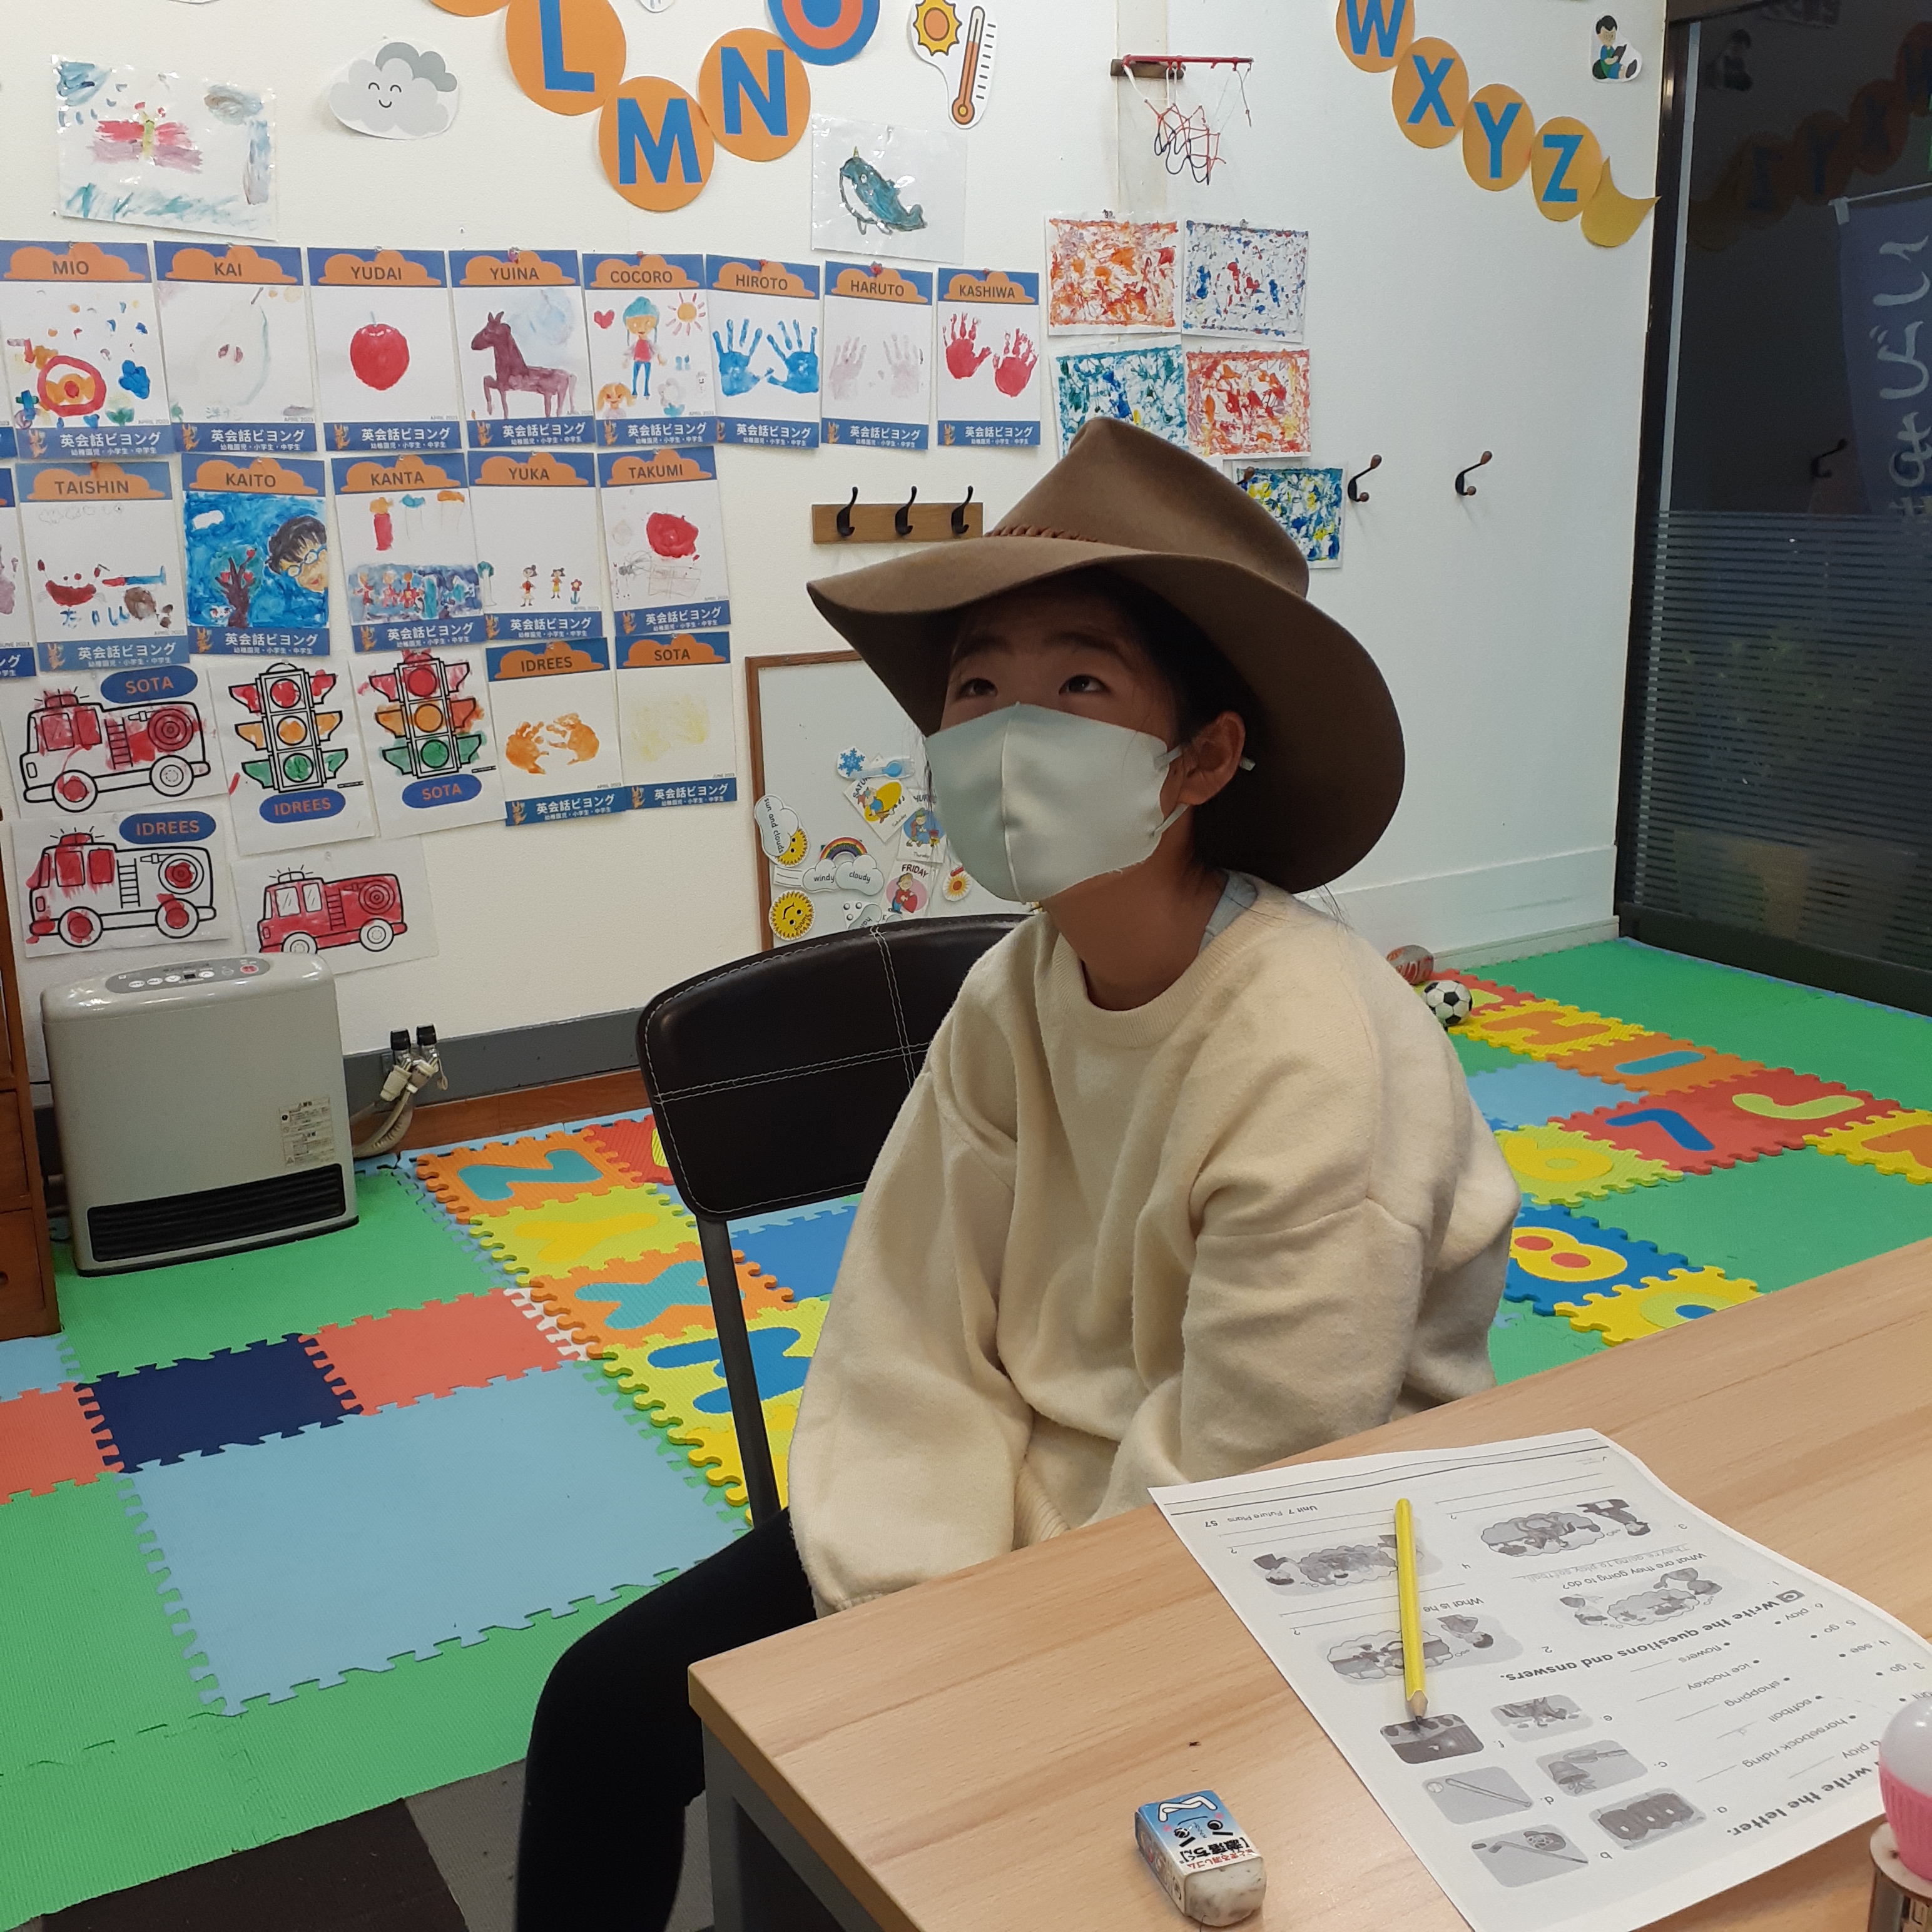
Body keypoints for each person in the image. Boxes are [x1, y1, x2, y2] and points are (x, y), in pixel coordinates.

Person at [514, 419, 1518, 1931]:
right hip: (998, 1492)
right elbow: (912, 1320)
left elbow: (1261, 1449)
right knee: (603, 1703)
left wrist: (998, 1651)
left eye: (1080, 685)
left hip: (1289, 1546)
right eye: (974, 686)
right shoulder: (1015, 985)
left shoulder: (1314, 1038)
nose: (1004, 733)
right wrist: (919, 1583)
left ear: (1200, 757)